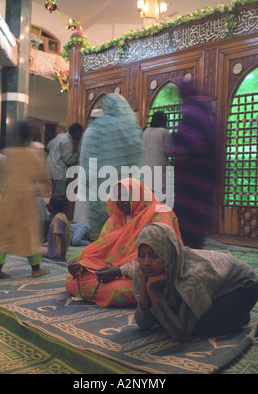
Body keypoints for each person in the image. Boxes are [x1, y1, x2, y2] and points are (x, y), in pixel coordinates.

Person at [133, 222, 258, 342]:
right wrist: (145, 288)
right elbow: (144, 324)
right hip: (217, 282)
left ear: (167, 253)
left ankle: (240, 316)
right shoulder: (144, 271)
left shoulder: (191, 276)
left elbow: (181, 335)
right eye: (142, 255)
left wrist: (154, 292)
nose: (146, 263)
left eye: (154, 256)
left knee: (198, 326)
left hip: (244, 286)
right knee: (171, 315)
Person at [66, 178, 183, 307]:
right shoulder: (113, 221)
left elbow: (162, 259)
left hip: (145, 274)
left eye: (125, 195)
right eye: (117, 196)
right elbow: (99, 253)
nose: (120, 200)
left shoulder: (159, 213)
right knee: (72, 280)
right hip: (112, 274)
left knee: (118, 292)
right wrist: (83, 265)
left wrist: (120, 271)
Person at [0, 120, 50, 279]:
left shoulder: (9, 152)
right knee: (30, 234)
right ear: (30, 136)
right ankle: (36, 269)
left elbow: (5, 174)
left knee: (7, 233)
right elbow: (39, 174)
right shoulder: (32, 154)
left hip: (9, 198)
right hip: (25, 199)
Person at [73, 93, 142, 240]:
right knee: (123, 231)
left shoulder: (95, 128)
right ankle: (120, 258)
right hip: (125, 192)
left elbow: (87, 161)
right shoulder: (130, 128)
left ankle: (100, 256)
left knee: (102, 234)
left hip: (99, 191)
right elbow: (137, 158)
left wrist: (86, 186)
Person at [170, 78, 218, 249]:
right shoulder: (206, 113)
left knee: (185, 232)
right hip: (205, 187)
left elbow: (183, 152)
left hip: (191, 187)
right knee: (196, 232)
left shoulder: (191, 113)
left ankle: (184, 267)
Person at [141, 111, 173, 203]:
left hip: (144, 175)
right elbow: (170, 152)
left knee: (146, 205)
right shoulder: (164, 132)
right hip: (159, 176)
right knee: (159, 207)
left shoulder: (145, 131)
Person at [46, 123, 83, 196]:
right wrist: (77, 155)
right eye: (79, 134)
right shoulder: (67, 142)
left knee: (54, 196)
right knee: (58, 198)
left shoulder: (60, 136)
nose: (79, 136)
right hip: (59, 173)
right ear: (75, 133)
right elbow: (69, 160)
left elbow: (48, 146)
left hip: (52, 170)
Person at [40, 194, 71, 262]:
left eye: (50, 204)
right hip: (54, 247)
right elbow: (49, 237)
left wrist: (62, 256)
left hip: (56, 252)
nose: (48, 205)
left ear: (54, 207)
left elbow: (62, 237)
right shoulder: (61, 216)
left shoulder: (58, 219)